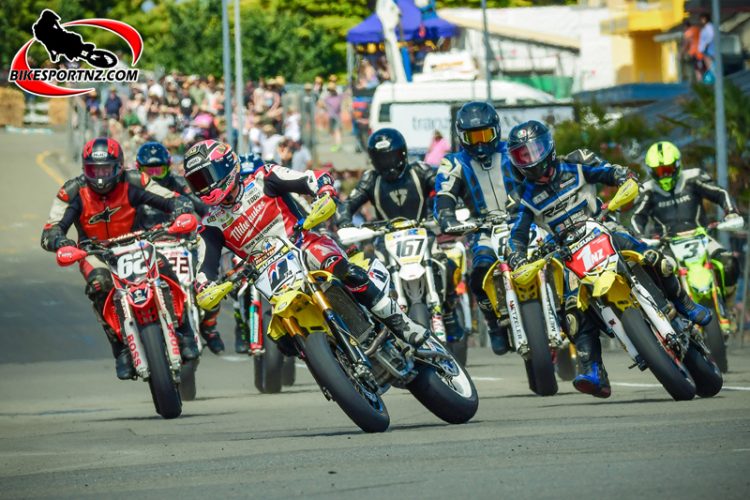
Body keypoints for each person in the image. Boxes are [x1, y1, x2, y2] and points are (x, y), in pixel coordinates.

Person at [504, 121, 711, 399]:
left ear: (549, 146)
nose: (531, 159)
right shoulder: (521, 197)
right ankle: (593, 370)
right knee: (568, 309)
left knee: (651, 256)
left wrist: (624, 176)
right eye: (522, 155)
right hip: (566, 253)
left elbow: (609, 173)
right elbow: (516, 235)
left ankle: (685, 305)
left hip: (604, 227)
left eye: (535, 149)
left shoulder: (577, 162)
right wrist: (517, 257)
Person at [182, 140, 430, 353]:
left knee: (345, 271)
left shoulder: (263, 177)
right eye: (196, 182)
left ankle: (401, 324)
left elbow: (309, 179)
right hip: (269, 273)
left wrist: (324, 191)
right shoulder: (211, 224)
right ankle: (331, 361)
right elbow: (205, 264)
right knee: (283, 343)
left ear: (226, 165)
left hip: (304, 243)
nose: (204, 186)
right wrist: (204, 285)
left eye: (207, 177)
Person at [40, 137, 197, 379]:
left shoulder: (135, 180)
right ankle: (121, 349)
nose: (100, 176)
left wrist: (180, 209)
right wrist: (60, 241)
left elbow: (171, 198)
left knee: (165, 265)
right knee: (99, 284)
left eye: (105, 169)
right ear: (85, 169)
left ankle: (185, 331)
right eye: (94, 170)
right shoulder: (71, 191)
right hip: (96, 253)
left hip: (136, 242)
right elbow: (50, 229)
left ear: (119, 166)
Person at [337, 129, 463, 341]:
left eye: (391, 157)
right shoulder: (371, 179)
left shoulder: (419, 170)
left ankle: (449, 310)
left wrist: (448, 207)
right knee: (373, 276)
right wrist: (344, 221)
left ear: (402, 154)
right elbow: (348, 204)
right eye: (381, 159)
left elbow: (443, 187)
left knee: (445, 263)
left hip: (423, 232)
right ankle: (379, 322)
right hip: (385, 239)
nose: (387, 164)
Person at [435, 101, 521, 356]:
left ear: (496, 131)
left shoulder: (514, 152)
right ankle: (494, 324)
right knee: (478, 273)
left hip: (523, 222)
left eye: (485, 135)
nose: (480, 143)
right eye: (473, 137)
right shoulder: (453, 163)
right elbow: (444, 194)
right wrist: (447, 216)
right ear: (462, 136)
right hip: (484, 230)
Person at [133, 142, 225, 354]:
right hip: (146, 248)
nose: (155, 176)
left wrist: (212, 220)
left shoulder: (180, 185)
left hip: (182, 243)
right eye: (150, 171)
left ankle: (209, 328)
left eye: (160, 170)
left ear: (168, 168)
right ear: (140, 170)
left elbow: (204, 207)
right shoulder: (134, 191)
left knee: (210, 281)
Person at [632, 140, 742, 308]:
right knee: (661, 272)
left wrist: (731, 212)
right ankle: (673, 316)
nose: (664, 175)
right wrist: (639, 238)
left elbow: (720, 193)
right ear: (651, 171)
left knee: (729, 264)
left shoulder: (693, 177)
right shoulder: (647, 189)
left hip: (702, 237)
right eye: (659, 171)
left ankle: (729, 302)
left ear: (677, 164)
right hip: (667, 244)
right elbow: (637, 217)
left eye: (667, 169)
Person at [698, 13, 715, 81]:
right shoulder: (706, 27)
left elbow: (711, 37)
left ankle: (712, 79)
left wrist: (706, 46)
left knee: (710, 66)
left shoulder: (709, 27)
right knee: (707, 66)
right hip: (706, 50)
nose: (700, 21)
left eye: (701, 19)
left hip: (709, 50)